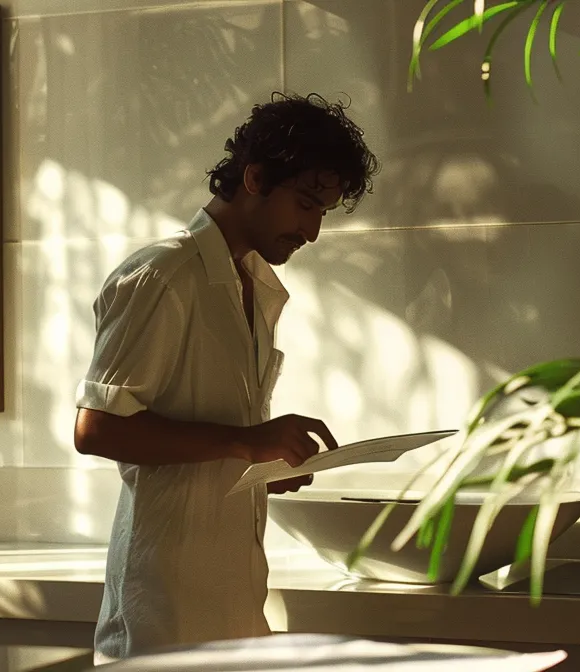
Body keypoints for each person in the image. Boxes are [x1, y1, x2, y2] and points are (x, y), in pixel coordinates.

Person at [73, 92, 379, 661]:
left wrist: (261, 463)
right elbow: (96, 430)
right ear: (255, 178)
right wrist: (244, 441)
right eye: (306, 204)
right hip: (162, 608)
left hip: (236, 599)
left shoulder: (254, 286)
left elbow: (213, 435)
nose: (311, 232)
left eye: (322, 213)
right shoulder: (162, 274)